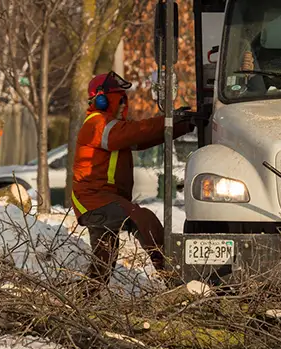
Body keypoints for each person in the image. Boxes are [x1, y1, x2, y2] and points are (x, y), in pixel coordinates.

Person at [71, 71, 193, 293]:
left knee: (103, 261)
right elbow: (135, 133)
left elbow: (142, 138)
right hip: (94, 199)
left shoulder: (114, 127)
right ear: (101, 99)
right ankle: (173, 282)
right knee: (143, 219)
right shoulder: (97, 123)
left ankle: (82, 301)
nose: (123, 103)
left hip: (102, 199)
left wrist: (179, 125)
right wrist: (170, 121)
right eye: (119, 98)